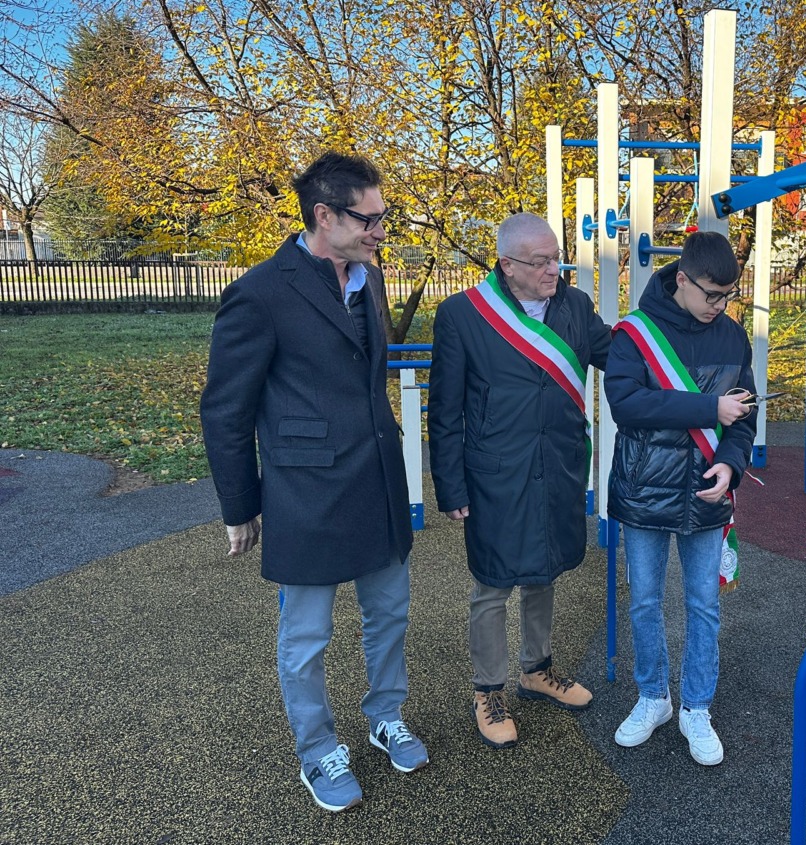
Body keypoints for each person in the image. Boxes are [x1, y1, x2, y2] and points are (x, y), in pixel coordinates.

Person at [200, 151, 428, 813]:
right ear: (324, 216)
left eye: (383, 217)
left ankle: (385, 715)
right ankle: (318, 749)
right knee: (306, 637)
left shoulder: (370, 276)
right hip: (306, 491)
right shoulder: (260, 293)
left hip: (377, 476)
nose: (380, 230)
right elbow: (226, 408)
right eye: (369, 219)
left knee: (390, 613)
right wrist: (240, 504)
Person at [428, 212, 611, 749]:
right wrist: (451, 486)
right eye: (540, 262)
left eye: (557, 258)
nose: (554, 270)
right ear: (507, 265)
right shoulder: (462, 314)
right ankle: (487, 690)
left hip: (557, 465)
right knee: (492, 584)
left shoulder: (576, 306)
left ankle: (537, 669)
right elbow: (445, 410)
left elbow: (619, 355)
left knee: (543, 571)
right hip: (496, 474)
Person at [603, 230, 757, 766]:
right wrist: (708, 410)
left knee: (704, 606)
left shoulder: (733, 337)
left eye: (728, 296)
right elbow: (627, 404)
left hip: (708, 488)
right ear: (683, 280)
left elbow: (744, 417)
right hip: (645, 487)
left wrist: (731, 463)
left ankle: (696, 706)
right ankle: (653, 697)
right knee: (645, 602)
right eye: (711, 294)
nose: (719, 306)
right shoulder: (634, 333)